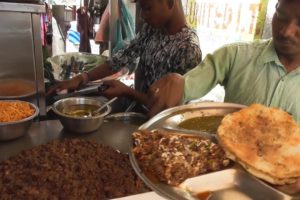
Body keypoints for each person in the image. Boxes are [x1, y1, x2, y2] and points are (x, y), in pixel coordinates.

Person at [146, 0, 300, 125]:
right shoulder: (236, 55)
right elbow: (189, 83)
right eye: (280, 15)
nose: (286, 31)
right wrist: (177, 82)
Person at [47, 0, 202, 112]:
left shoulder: (188, 49)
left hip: (160, 128)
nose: (142, 16)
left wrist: (127, 92)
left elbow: (171, 108)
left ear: (169, 2)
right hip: (138, 110)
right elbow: (121, 58)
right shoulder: (152, 30)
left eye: (147, 8)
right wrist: (83, 78)